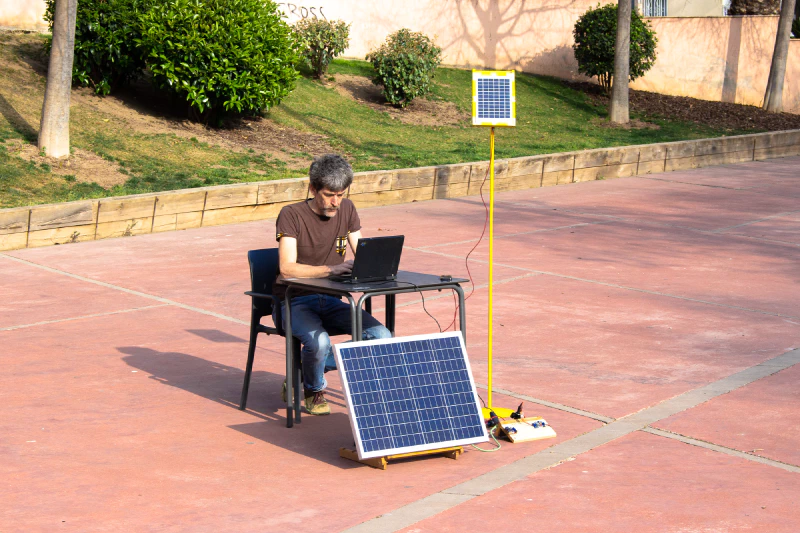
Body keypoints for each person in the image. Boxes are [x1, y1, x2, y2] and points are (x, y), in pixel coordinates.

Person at [273, 154, 392, 415]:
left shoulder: (346, 208)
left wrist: (377, 266)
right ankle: (314, 389)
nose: (335, 202)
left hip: (331, 298)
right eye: (329, 194)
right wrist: (332, 269)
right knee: (320, 342)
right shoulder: (291, 215)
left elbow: (362, 250)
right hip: (294, 299)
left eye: (340, 194)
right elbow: (287, 268)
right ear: (313, 188)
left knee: (382, 336)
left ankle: (303, 371)